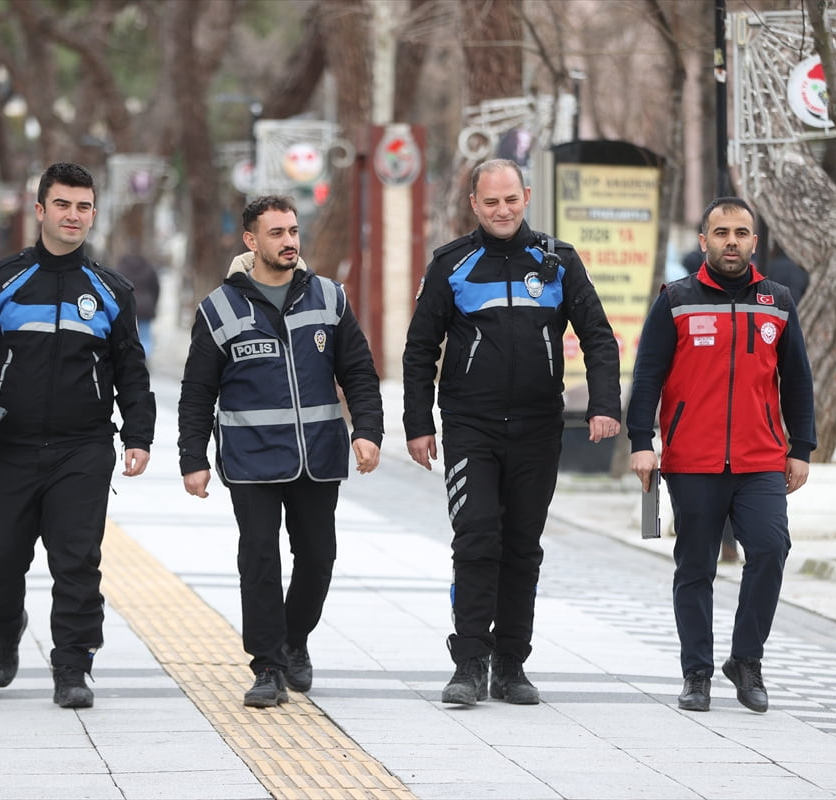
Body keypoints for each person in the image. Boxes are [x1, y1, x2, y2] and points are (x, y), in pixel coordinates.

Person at [0, 163, 155, 709]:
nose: (73, 215)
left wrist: (139, 437)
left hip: (83, 449)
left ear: (93, 214)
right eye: (62, 204)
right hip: (6, 448)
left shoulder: (110, 290)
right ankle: (5, 625)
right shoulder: (0, 281)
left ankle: (72, 666)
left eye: (83, 206)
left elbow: (132, 371)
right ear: (40, 210)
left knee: (77, 561)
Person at [402, 159, 621, 706]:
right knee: (477, 538)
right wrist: (417, 423)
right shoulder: (451, 264)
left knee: (522, 547)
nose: (502, 211)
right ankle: (470, 661)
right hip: (469, 427)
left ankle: (511, 664)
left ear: (526, 197)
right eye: (491, 202)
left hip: (538, 427)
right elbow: (419, 349)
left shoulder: (557, 261)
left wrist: (604, 404)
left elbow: (597, 335)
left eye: (511, 200)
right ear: (473, 204)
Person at [178, 195, 383, 709]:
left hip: (319, 457)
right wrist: (192, 458)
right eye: (276, 233)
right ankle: (267, 664)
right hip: (251, 461)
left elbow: (357, 370)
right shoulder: (219, 308)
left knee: (318, 558)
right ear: (251, 241)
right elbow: (197, 391)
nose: (289, 241)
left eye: (293, 231)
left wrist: (369, 430)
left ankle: (295, 639)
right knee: (260, 562)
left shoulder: (329, 298)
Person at [626, 197, 816, 715]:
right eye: (721, 232)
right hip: (693, 460)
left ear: (754, 242)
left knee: (771, 550)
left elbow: (797, 380)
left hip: (760, 461)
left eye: (741, 233)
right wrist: (641, 442)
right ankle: (697, 672)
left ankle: (746, 660)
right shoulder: (676, 300)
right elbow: (647, 378)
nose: (731, 241)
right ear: (703, 240)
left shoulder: (777, 302)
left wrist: (801, 448)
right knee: (695, 567)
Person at [116, 251, 160, 358]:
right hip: (146, 307)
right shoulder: (149, 268)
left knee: (126, 336)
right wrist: (153, 304)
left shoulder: (120, 268)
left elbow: (116, 289)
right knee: (145, 337)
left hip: (127, 307)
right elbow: (156, 288)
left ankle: (129, 359)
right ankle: (144, 358)